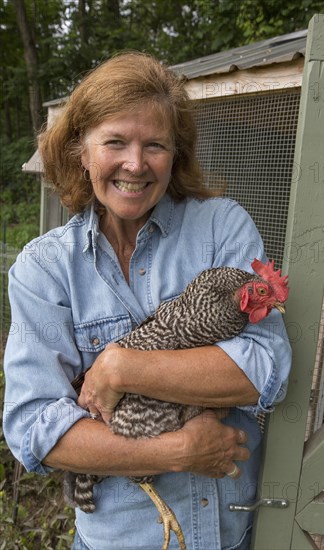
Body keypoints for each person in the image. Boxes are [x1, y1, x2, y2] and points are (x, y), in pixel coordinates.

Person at [3, 51, 292, 550]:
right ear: (81, 151)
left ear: (175, 154)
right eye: (115, 141)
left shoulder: (221, 226)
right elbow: (36, 428)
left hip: (231, 535)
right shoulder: (45, 269)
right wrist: (179, 450)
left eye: (155, 144)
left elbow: (265, 367)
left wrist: (121, 368)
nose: (135, 163)